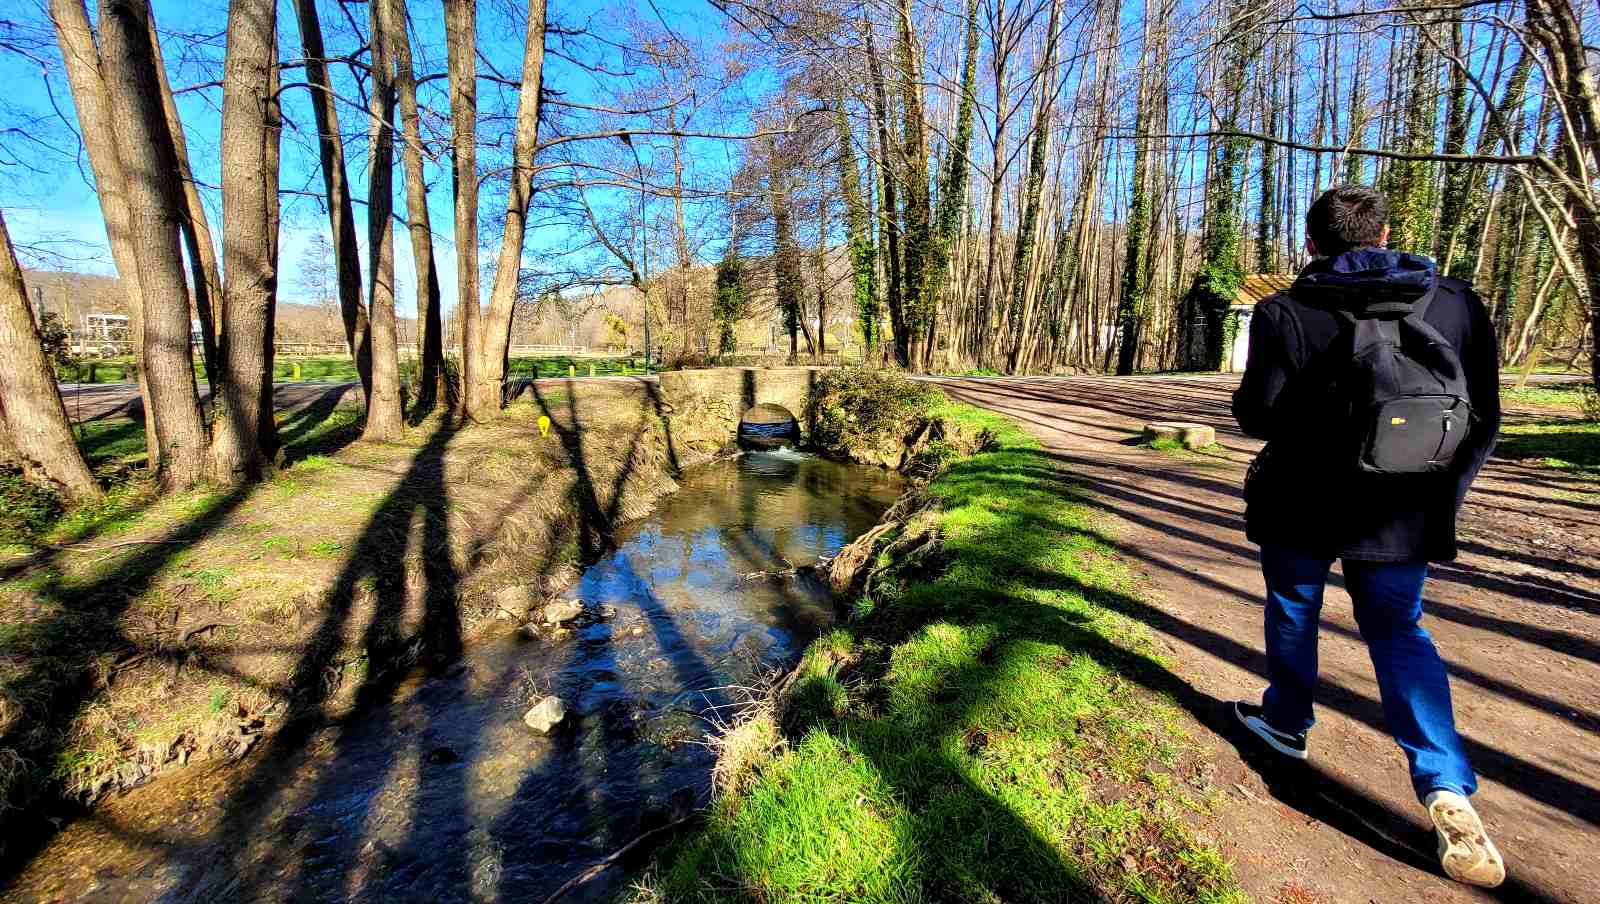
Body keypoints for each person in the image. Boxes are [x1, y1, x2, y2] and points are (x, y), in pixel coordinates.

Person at [1230, 184, 1505, 888]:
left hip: (1303, 504)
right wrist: (1443, 494)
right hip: (1404, 510)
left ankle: (1286, 723)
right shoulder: (1455, 303)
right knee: (1399, 631)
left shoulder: (1284, 311)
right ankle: (1444, 784)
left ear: (1313, 243)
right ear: (1384, 234)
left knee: (1295, 608)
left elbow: (1259, 416)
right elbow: (1482, 418)